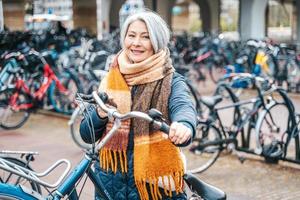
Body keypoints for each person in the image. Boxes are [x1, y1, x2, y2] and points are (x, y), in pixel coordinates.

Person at [80, 10, 197, 200]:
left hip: (153, 188)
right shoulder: (111, 79)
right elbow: (86, 134)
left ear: (157, 41)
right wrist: (100, 114)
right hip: (109, 183)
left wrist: (184, 125)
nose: (136, 43)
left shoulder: (171, 80)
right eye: (131, 35)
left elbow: (183, 106)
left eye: (145, 37)